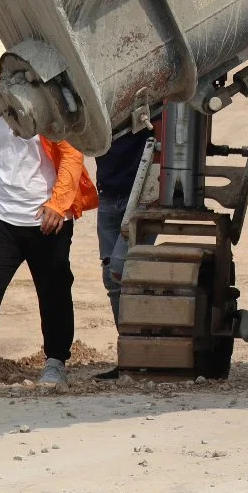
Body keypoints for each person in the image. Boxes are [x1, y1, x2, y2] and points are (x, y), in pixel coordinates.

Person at [0, 27, 98, 389]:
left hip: (47, 217)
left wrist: (58, 205)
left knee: (54, 288)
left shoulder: (44, 97)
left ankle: (56, 361)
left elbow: (71, 153)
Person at [92, 126, 155, 381]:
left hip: (140, 196)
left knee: (120, 269)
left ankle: (141, 354)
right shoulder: (105, 103)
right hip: (108, 192)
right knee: (111, 277)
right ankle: (130, 357)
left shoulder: (151, 102)